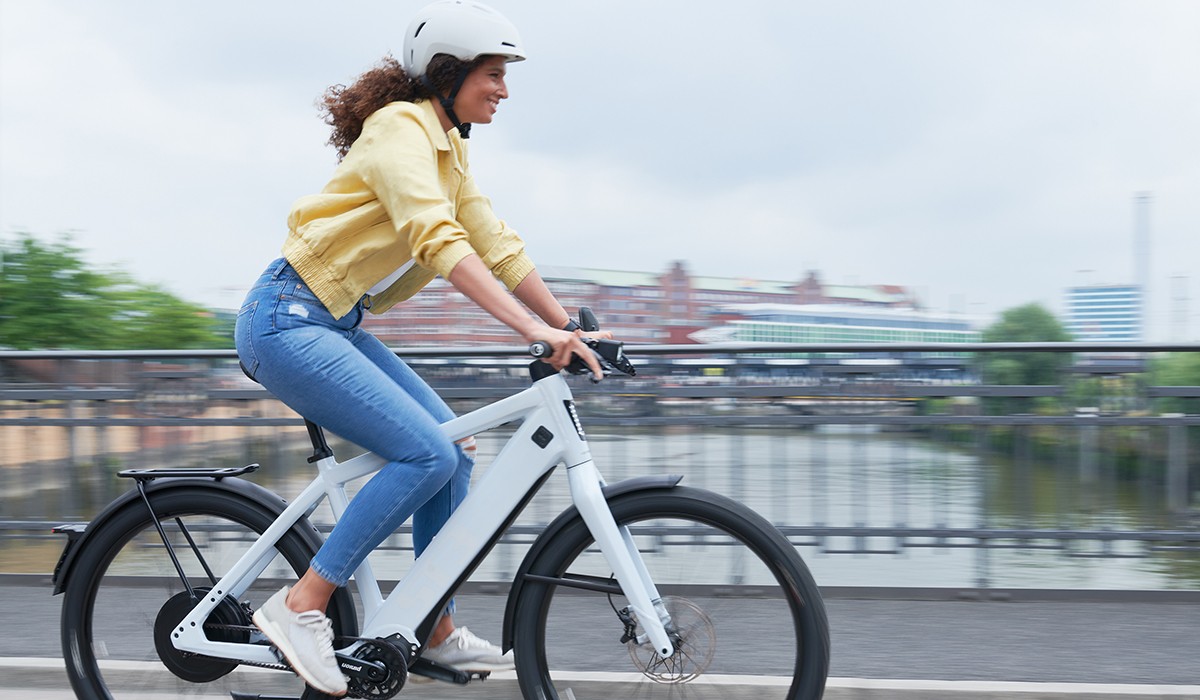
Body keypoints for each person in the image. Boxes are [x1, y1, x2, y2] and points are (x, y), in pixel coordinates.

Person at [235, 1, 608, 695]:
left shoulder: (448, 147)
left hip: (331, 323)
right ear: (449, 72)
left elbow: (493, 242)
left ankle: (428, 624)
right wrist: (531, 331)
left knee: (455, 449)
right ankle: (301, 604)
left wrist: (570, 326)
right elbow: (436, 241)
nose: (503, 88)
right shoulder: (400, 130)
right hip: (286, 320)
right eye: (493, 73)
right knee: (426, 451)